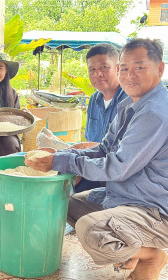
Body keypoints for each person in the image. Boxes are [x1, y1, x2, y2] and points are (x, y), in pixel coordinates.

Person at [25, 38, 168, 280]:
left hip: (153, 209)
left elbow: (117, 167)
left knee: (90, 228)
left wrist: (62, 162)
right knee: (65, 203)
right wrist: (62, 155)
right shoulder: (128, 104)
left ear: (160, 69)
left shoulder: (155, 112)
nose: (129, 75)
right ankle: (132, 250)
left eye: (139, 67)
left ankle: (151, 255)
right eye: (124, 68)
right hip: (125, 196)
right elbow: (104, 149)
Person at [71, 43, 128, 192]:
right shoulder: (94, 100)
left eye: (104, 67)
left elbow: (122, 154)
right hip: (92, 167)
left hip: (118, 174)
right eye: (92, 69)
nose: (98, 74)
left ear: (118, 68)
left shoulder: (130, 101)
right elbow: (90, 142)